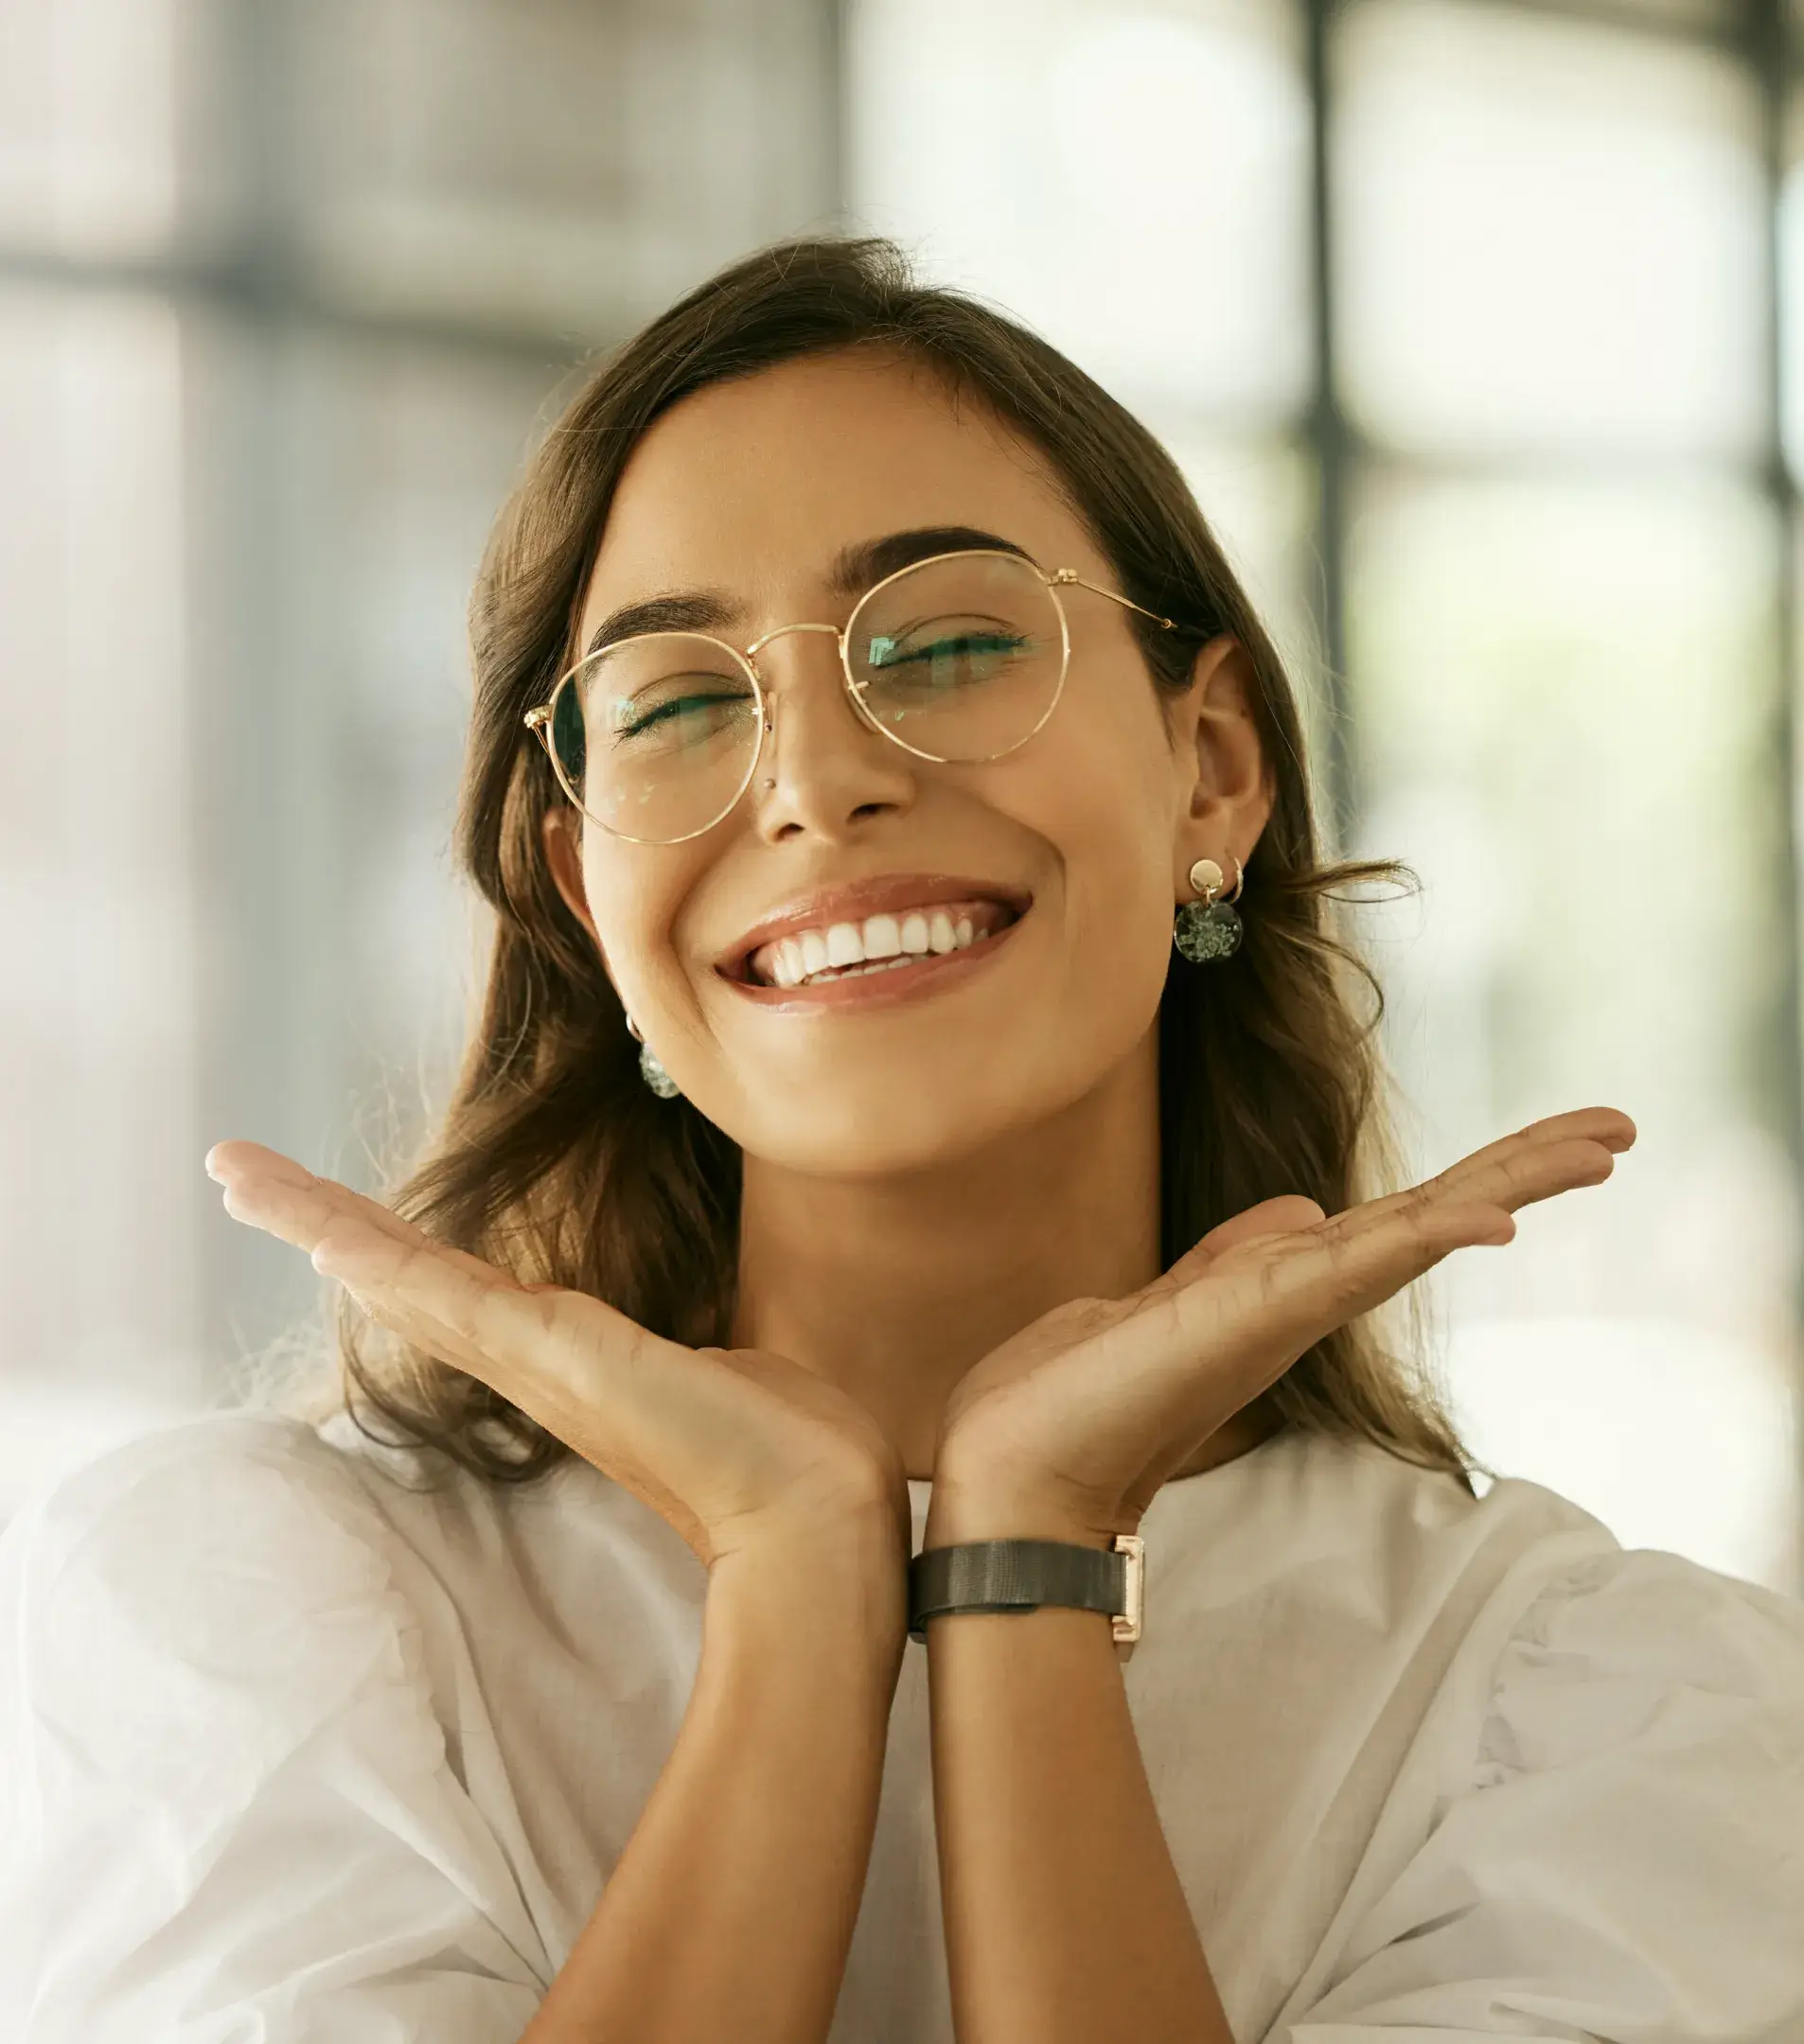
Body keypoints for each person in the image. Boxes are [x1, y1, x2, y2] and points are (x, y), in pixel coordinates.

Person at [2, 238, 1800, 2044]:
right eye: (682, 704)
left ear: (1214, 767)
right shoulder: (269, 1623)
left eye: (943, 646)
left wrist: (1028, 1559)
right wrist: (791, 1577)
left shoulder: (1606, 1706)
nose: (810, 783)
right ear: (581, 887)